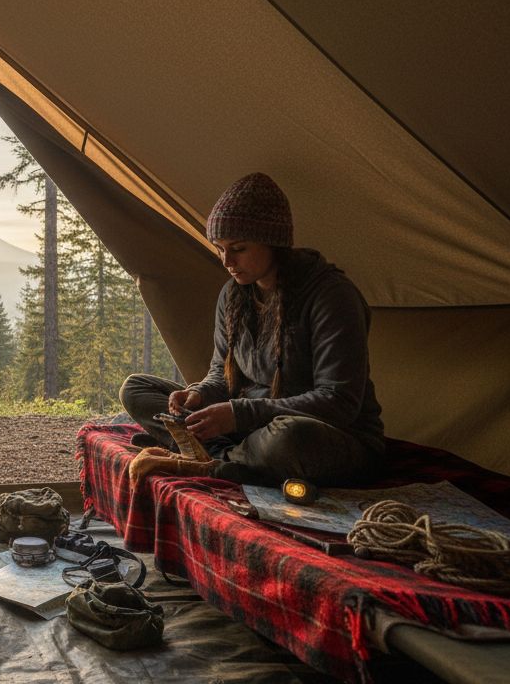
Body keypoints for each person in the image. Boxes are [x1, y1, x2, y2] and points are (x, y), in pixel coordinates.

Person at [120, 172, 385, 487]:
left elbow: (338, 402)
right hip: (250, 431)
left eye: (239, 248)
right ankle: (228, 458)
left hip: (331, 436)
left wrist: (238, 414)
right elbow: (221, 375)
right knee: (136, 389)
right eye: (220, 248)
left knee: (290, 438)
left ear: (273, 241)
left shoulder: (331, 295)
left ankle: (212, 461)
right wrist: (197, 395)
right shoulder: (233, 295)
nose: (227, 260)